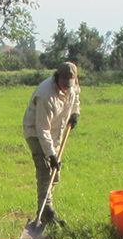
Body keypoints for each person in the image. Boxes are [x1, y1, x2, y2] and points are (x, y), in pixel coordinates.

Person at [22, 61, 81, 225]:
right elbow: (42, 129)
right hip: (36, 132)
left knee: (55, 174)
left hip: (56, 132)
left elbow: (76, 98)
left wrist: (75, 113)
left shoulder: (73, 85)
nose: (66, 88)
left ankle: (47, 209)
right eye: (63, 85)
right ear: (56, 78)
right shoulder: (45, 95)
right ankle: (45, 213)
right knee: (46, 170)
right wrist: (51, 155)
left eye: (69, 85)